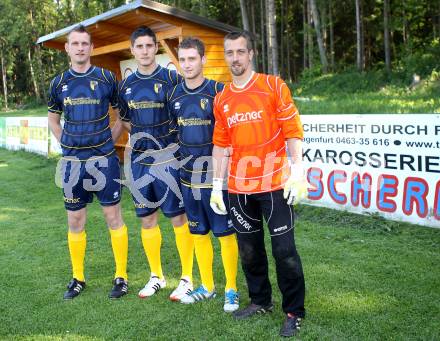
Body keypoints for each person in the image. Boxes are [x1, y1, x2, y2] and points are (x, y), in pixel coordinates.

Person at [210, 31, 307, 337]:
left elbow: (292, 130)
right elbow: (220, 144)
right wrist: (216, 184)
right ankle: (260, 301)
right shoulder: (221, 99)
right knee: (249, 251)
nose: (235, 58)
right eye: (230, 53)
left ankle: (293, 311)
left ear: (251, 54)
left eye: (241, 51)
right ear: (225, 57)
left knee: (284, 250)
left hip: (275, 183)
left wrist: (298, 170)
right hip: (239, 189)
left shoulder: (273, 86)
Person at [47, 25, 128, 300]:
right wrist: (67, 145)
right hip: (72, 164)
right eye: (75, 43)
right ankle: (78, 278)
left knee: (113, 217)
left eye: (84, 43)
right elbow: (53, 120)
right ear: (67, 48)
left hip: (104, 160)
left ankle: (121, 276)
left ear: (91, 48)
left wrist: (107, 143)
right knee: (75, 220)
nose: (80, 48)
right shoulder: (57, 83)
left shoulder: (107, 78)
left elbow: (121, 117)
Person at [118, 26, 194, 301]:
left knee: (177, 217)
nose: (145, 51)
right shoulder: (125, 85)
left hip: (169, 159)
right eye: (139, 46)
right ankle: (156, 276)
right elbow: (125, 119)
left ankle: (187, 277)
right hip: (139, 160)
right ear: (133, 49)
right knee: (147, 219)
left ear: (156, 48)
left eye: (150, 46)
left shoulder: (171, 78)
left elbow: (184, 112)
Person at [167, 37, 239, 311]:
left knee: (224, 234)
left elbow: (231, 136)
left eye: (192, 59)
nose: (187, 64)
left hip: (217, 180)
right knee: (198, 233)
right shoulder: (174, 95)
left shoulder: (219, 92)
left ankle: (231, 288)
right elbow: (175, 134)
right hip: (188, 179)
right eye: (182, 59)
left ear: (203, 60)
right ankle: (207, 286)